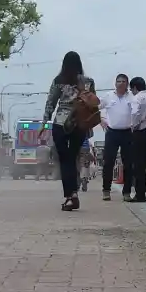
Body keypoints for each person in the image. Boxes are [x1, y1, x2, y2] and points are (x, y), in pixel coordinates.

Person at [43, 51, 96, 211]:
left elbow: (50, 103)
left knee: (64, 160)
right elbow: (92, 104)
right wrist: (90, 126)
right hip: (79, 124)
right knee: (73, 158)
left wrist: (44, 122)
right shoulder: (88, 82)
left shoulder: (59, 81)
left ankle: (70, 195)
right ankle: (73, 193)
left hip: (61, 123)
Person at [100, 74, 137, 201]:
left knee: (128, 164)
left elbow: (138, 111)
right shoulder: (108, 96)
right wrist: (101, 119)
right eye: (118, 81)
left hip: (127, 133)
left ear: (127, 84)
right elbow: (95, 108)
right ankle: (106, 190)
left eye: (123, 81)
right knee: (108, 163)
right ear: (115, 83)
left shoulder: (132, 97)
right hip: (112, 132)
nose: (121, 83)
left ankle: (126, 193)